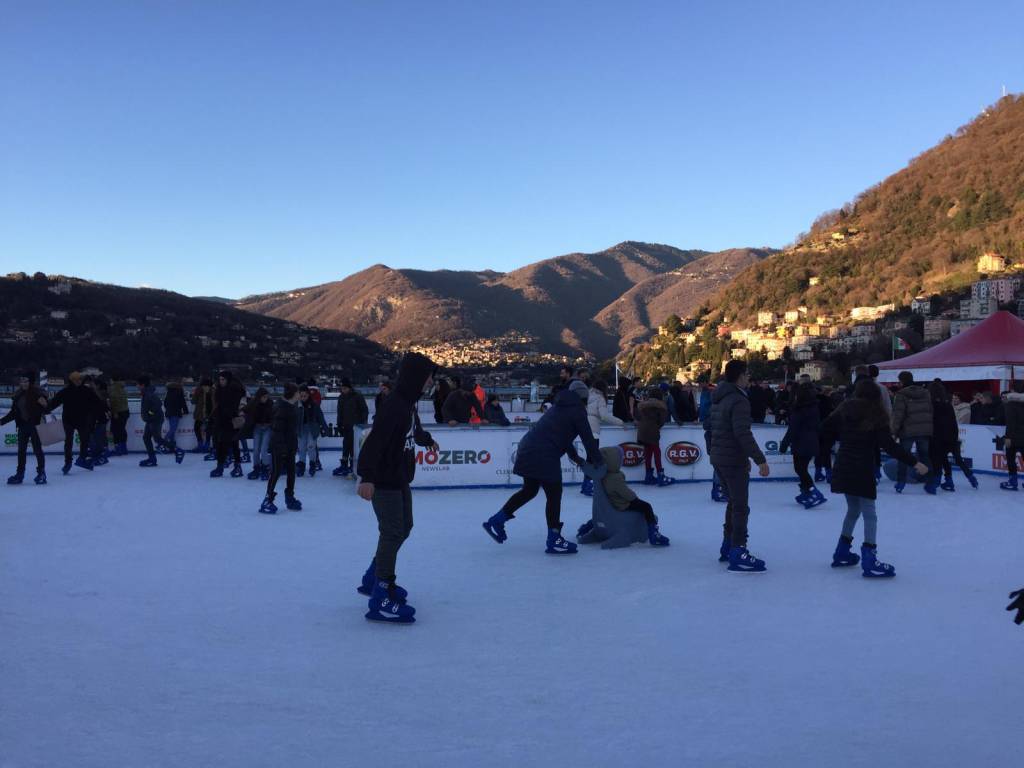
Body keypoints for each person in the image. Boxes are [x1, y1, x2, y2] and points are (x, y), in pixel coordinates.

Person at [355, 352, 439, 624]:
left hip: (401, 477)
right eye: (427, 377)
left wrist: (426, 440)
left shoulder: (408, 404)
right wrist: (366, 476)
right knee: (392, 533)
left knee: (404, 528)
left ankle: (373, 576)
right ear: (416, 377)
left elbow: (412, 432)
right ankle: (381, 596)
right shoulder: (394, 405)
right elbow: (374, 441)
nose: (430, 382)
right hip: (384, 480)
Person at [821, 378, 929, 577]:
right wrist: (915, 462)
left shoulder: (845, 408)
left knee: (853, 509)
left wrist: (841, 440)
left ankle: (841, 551)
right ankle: (869, 558)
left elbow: (825, 427)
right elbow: (889, 446)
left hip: (844, 464)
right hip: (861, 467)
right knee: (870, 513)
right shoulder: (876, 414)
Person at [484, 379, 603, 555]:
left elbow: (564, 438)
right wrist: (600, 464)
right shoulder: (578, 411)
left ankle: (497, 520)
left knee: (529, 490)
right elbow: (589, 441)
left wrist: (577, 459)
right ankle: (554, 539)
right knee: (554, 494)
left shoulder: (559, 406)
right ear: (584, 398)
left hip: (527, 447)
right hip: (544, 454)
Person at [704, 360, 771, 573]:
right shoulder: (739, 400)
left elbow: (712, 428)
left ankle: (728, 545)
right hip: (732, 459)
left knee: (733, 503)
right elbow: (742, 433)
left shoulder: (719, 397)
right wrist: (760, 459)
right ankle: (738, 550)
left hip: (720, 458)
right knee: (740, 506)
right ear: (740, 375)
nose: (749, 378)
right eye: (747, 374)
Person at [595, 445, 670, 546]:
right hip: (622, 504)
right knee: (646, 506)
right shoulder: (614, 478)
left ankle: (588, 526)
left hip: (615, 501)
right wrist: (635, 498)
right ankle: (654, 533)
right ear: (614, 461)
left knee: (643, 506)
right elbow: (625, 493)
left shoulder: (605, 475)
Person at [782, 381, 826, 508]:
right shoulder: (813, 407)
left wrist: (784, 444)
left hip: (801, 442)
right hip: (811, 442)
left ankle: (811, 490)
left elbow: (793, 429)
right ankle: (806, 491)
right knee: (802, 468)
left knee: (800, 469)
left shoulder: (800, 410)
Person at [260, 382, 302, 514]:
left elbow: (291, 429)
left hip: (290, 445)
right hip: (279, 446)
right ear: (293, 394)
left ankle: (289, 496)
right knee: (276, 472)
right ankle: (267, 499)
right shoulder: (282, 408)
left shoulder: (292, 406)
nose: (299, 395)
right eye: (298, 392)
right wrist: (282, 448)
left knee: (291, 471)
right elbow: (278, 430)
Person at [47, 371, 101, 474]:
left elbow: (96, 403)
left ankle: (82, 458)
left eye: (80, 379)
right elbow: (54, 403)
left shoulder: (87, 391)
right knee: (68, 442)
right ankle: (68, 462)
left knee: (85, 440)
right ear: (71, 380)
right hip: (68, 420)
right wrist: (44, 409)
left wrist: (99, 412)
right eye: (76, 379)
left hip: (82, 420)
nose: (79, 381)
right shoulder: (65, 392)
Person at [891, 371, 935, 493]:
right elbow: (930, 410)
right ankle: (930, 482)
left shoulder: (901, 394)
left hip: (908, 430)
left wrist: (894, 431)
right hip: (924, 430)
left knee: (904, 456)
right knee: (925, 456)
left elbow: (898, 415)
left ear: (902, 381)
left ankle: (901, 482)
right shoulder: (926, 393)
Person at [929, 381, 978, 491]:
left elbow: (933, 423)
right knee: (957, 459)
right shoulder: (948, 405)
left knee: (940, 460)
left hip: (938, 437)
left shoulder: (933, 406)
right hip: (952, 437)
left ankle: (938, 482)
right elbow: (953, 422)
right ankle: (970, 477)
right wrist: (955, 436)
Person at [1, 371, 48, 485]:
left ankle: (41, 473)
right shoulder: (18, 395)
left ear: (30, 381)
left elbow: (47, 409)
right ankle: (20, 474)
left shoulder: (38, 393)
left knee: (37, 450)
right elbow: (13, 413)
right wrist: (2, 421)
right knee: (21, 451)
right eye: (21, 380)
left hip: (35, 426)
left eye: (25, 380)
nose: (23, 383)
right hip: (23, 426)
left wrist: (45, 404)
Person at [582, 379, 623, 495]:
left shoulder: (588, 394)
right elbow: (604, 416)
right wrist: (620, 422)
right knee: (592, 458)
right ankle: (588, 484)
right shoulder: (600, 398)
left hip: (583, 427)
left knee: (590, 457)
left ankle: (586, 483)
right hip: (593, 429)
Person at [210, 371, 246, 478]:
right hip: (222, 420)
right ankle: (224, 466)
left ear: (228, 379)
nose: (221, 382)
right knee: (224, 443)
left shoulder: (235, 390)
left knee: (230, 444)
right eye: (220, 379)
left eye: (223, 379)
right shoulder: (220, 391)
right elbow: (219, 405)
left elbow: (234, 406)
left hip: (232, 420)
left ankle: (231, 466)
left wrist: (228, 414)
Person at [636, 387, 674, 486]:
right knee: (656, 452)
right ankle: (661, 476)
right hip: (652, 430)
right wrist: (656, 426)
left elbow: (637, 417)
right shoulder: (661, 406)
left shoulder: (642, 406)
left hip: (642, 431)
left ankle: (648, 476)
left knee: (647, 452)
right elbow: (662, 420)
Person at [333, 378, 369, 477]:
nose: (343, 390)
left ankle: (354, 466)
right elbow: (339, 412)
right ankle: (344, 464)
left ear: (349, 388)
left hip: (357, 427)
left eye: (344, 388)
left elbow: (364, 410)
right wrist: (339, 424)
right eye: (342, 388)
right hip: (346, 426)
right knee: (346, 445)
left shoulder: (357, 396)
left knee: (354, 447)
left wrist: (363, 424)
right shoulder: (341, 397)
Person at [296, 384, 326, 477]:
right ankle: (302, 465)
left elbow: (320, 417)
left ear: (308, 395)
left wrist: (325, 428)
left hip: (312, 429)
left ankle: (312, 463)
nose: (303, 398)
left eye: (305, 396)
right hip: (301, 429)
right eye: (301, 396)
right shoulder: (297, 405)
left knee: (311, 446)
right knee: (301, 448)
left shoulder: (314, 404)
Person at [245, 387, 274, 481]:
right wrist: (241, 412)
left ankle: (266, 467)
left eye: (266, 396)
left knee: (264, 449)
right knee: (256, 449)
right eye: (263, 397)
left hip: (267, 428)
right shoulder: (254, 403)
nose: (265, 398)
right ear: (259, 397)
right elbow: (245, 409)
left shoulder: (270, 404)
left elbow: (275, 414)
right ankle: (256, 468)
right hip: (257, 428)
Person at [1001, 381, 1024, 491]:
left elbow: (1011, 422)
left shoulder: (1010, 403)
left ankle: (1013, 481)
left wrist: (1008, 437)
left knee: (1010, 458)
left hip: (1014, 436)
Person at [137, 375, 164, 467]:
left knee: (157, 439)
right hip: (151, 420)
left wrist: (150, 413)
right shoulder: (146, 392)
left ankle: (177, 450)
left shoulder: (149, 393)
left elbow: (158, 404)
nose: (137, 386)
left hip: (154, 419)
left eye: (138, 385)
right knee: (146, 437)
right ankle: (152, 458)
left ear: (143, 385)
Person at [84, 377, 111, 465]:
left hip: (99, 419)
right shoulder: (94, 394)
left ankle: (99, 457)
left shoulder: (98, 394)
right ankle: (98, 456)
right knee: (96, 438)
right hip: (97, 419)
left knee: (96, 439)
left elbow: (101, 405)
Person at [161, 379, 189, 453]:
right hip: (176, 412)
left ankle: (171, 447)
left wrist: (168, 410)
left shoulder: (168, 392)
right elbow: (183, 402)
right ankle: (163, 442)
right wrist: (185, 411)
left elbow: (165, 403)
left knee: (172, 429)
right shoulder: (179, 392)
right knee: (173, 429)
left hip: (169, 413)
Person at [191, 378, 214, 454]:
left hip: (201, 413)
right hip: (210, 413)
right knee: (208, 430)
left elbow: (193, 401)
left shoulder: (199, 390)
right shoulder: (213, 391)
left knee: (197, 428)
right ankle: (206, 445)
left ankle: (200, 445)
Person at [108, 378, 130, 455]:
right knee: (122, 429)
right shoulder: (122, 388)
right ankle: (123, 448)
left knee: (115, 430)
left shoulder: (114, 389)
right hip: (125, 411)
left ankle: (118, 449)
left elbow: (114, 402)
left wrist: (114, 412)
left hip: (118, 412)